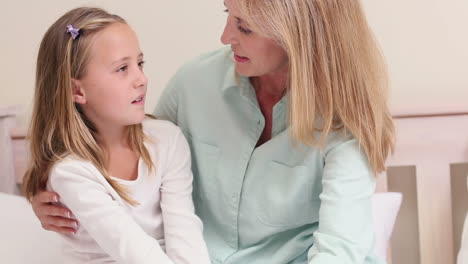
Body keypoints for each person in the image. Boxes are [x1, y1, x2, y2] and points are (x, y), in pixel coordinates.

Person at [30, 0, 395, 263]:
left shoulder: (343, 120)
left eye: (245, 27)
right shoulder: (195, 83)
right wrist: (43, 189)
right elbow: (124, 144)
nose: (225, 37)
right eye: (228, 15)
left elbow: (338, 251)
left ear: (298, 35)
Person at [22, 7, 211, 264]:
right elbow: (132, 250)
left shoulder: (167, 139)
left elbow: (185, 232)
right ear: (76, 90)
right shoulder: (72, 171)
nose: (141, 79)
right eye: (122, 68)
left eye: (140, 63)